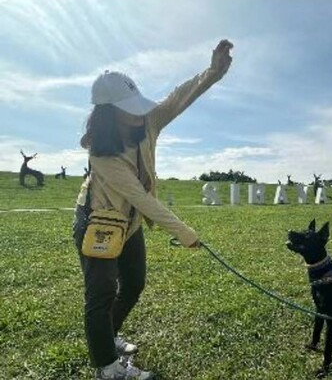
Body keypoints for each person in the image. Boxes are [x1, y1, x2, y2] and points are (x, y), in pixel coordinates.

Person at [72, 39, 233, 380]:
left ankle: (109, 336)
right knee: (100, 294)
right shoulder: (101, 155)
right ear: (107, 112)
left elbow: (179, 97)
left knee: (134, 283)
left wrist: (214, 71)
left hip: (128, 224)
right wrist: (185, 232)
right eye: (127, 108)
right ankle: (108, 368)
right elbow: (141, 198)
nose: (138, 112)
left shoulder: (148, 122)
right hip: (99, 223)